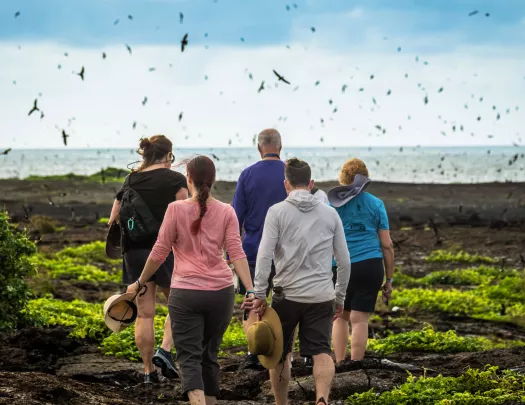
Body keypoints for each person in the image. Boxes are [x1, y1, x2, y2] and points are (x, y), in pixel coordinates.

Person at [127, 156, 255, 405]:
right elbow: (237, 253)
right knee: (209, 356)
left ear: (188, 178)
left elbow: (160, 250)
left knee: (190, 359)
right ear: (214, 180)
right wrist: (250, 290)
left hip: (186, 294)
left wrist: (141, 281)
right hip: (222, 295)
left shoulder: (175, 209)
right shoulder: (227, 211)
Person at [251, 158, 351, 405]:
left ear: (286, 184)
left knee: (280, 354)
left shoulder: (276, 212)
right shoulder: (331, 214)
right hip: (322, 296)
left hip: (287, 296)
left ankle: (281, 404)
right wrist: (340, 297)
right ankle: (321, 399)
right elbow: (344, 261)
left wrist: (260, 294)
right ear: (311, 183)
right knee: (321, 351)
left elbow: (264, 256)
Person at [108, 135, 188, 384]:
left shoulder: (130, 179)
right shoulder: (176, 179)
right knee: (179, 305)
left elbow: (114, 219)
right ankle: (164, 351)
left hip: (134, 252)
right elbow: (186, 217)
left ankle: (147, 373)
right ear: (168, 155)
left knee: (144, 314)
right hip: (166, 251)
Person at [329, 158, 394, 363]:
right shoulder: (376, 203)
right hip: (370, 265)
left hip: (340, 266)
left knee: (340, 317)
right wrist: (389, 280)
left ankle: (339, 363)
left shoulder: (331, 205)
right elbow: (387, 244)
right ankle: (356, 364)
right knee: (360, 320)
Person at [231, 128, 287, 368]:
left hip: (253, 250)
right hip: (287, 253)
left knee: (252, 299)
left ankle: (254, 351)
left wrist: (229, 255)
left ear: (259, 148)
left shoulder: (247, 174)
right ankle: (280, 352)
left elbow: (236, 218)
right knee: (283, 303)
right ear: (280, 147)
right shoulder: (290, 173)